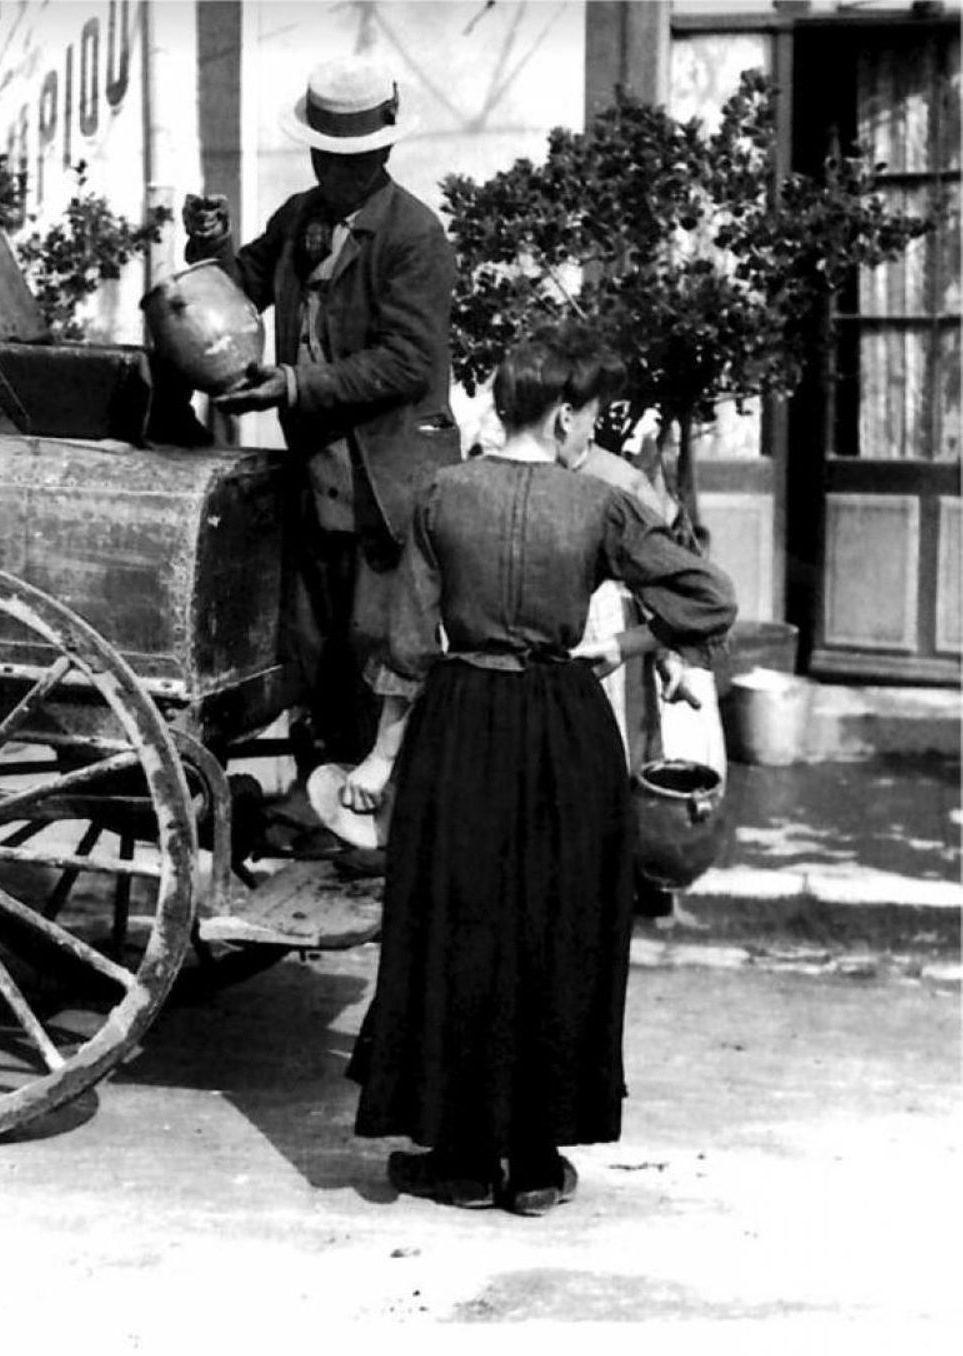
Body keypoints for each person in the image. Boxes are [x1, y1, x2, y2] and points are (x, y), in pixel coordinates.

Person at [338, 322, 736, 1215]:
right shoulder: (599, 506)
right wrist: (636, 641)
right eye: (590, 417)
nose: (593, 435)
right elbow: (709, 596)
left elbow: (407, 647)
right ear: (561, 417)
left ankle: (464, 1158)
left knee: (459, 924)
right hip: (565, 731)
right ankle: (536, 1162)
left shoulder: (443, 496)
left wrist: (381, 755)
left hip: (461, 729)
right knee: (560, 928)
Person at [181, 56, 460, 803]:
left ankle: (383, 829)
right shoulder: (300, 217)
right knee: (312, 654)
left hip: (389, 488)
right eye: (323, 156)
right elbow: (235, 287)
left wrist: (298, 385)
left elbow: (408, 363)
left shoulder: (414, 237)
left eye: (349, 159)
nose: (332, 172)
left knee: (382, 653)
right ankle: (324, 811)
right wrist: (209, 247)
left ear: (382, 153)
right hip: (318, 484)